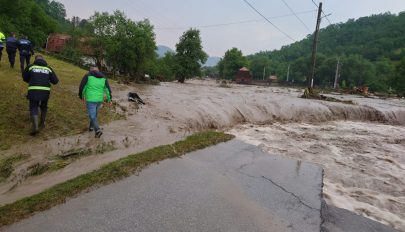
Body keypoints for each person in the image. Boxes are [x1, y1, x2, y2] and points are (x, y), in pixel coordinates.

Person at [23, 55, 59, 136]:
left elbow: (24, 77)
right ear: (43, 60)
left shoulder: (31, 67)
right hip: (45, 91)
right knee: (44, 106)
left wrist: (31, 80)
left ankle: (35, 127)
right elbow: (55, 81)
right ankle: (42, 123)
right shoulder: (48, 68)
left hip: (33, 90)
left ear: (35, 60)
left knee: (33, 107)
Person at [78, 67, 112, 138]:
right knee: (94, 114)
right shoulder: (103, 78)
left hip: (91, 99)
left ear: (90, 70)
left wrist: (81, 96)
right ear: (98, 71)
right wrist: (109, 100)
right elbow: (107, 89)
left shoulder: (87, 76)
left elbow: (82, 87)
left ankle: (97, 130)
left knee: (92, 115)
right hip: (99, 100)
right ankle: (91, 127)